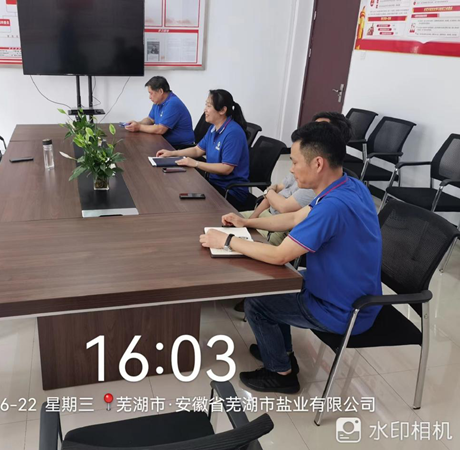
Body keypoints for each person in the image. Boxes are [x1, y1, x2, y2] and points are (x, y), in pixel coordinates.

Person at [199, 121, 382, 394]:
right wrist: (246, 222)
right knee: (273, 285)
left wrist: (226, 240)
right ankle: (280, 353)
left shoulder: (333, 207)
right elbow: (295, 218)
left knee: (258, 303)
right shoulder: (348, 185)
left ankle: (281, 373)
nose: (292, 169)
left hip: (343, 309)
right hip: (348, 290)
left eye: (295, 162)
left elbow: (278, 255)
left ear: (318, 163)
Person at [242, 111, 353, 246]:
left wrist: (268, 193)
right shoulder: (311, 171)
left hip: (279, 230)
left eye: (319, 130)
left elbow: (281, 252)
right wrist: (248, 221)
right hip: (271, 218)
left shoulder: (324, 189)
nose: (292, 169)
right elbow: (293, 216)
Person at [156, 89, 251, 210]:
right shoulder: (213, 128)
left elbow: (226, 168)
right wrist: (172, 153)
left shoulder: (233, 133)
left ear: (222, 110)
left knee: (185, 204)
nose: (205, 109)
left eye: (209, 106)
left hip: (230, 191)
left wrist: (196, 163)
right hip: (213, 183)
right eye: (206, 105)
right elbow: (197, 150)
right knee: (177, 191)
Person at [125, 76, 195, 149]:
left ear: (160, 91)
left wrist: (139, 127)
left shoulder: (172, 103)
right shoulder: (158, 102)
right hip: (165, 142)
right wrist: (137, 123)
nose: (150, 97)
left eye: (151, 93)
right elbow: (150, 119)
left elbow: (160, 129)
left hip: (180, 146)